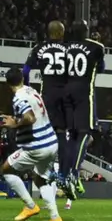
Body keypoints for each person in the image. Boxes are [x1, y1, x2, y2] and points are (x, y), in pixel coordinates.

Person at [0, 67, 62, 221]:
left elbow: (29, 118)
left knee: (6, 169)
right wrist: (16, 118)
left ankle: (30, 206)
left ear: (7, 84)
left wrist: (15, 125)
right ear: (22, 79)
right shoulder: (31, 90)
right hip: (51, 143)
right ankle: (55, 217)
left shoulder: (18, 98)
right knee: (41, 179)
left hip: (36, 146)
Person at [23, 21, 74, 200]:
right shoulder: (69, 48)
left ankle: (46, 172)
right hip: (66, 94)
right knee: (64, 134)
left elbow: (26, 69)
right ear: (62, 32)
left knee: (45, 133)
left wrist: (27, 89)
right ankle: (64, 174)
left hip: (49, 95)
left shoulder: (40, 48)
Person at [63, 22, 106, 198]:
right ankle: (73, 173)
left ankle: (66, 174)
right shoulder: (96, 46)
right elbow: (101, 68)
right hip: (84, 94)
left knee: (72, 135)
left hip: (66, 92)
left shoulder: (65, 47)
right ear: (87, 32)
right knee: (85, 135)